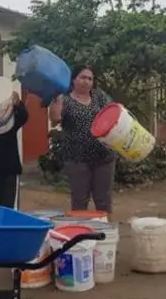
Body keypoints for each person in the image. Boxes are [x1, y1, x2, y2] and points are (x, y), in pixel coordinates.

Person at [49, 65, 116, 220]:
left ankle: (107, 236)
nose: (86, 81)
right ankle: (80, 238)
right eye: (82, 77)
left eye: (90, 78)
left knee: (104, 201)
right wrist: (55, 102)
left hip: (104, 157)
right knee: (79, 202)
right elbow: (54, 120)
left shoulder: (99, 96)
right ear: (74, 80)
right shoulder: (64, 99)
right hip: (77, 160)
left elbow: (114, 113)